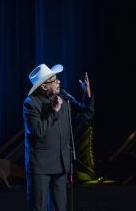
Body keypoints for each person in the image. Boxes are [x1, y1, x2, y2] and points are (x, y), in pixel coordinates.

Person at [23, 64, 94, 211]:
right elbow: (37, 131)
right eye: (54, 80)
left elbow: (87, 113)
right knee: (38, 207)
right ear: (43, 86)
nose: (58, 82)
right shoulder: (31, 103)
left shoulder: (64, 98)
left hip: (61, 163)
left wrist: (87, 94)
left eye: (57, 79)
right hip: (41, 166)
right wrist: (54, 111)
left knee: (59, 206)